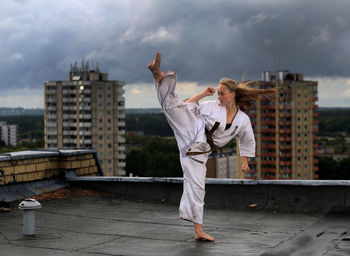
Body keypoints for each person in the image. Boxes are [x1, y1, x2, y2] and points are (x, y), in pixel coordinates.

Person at [147, 52, 275, 241]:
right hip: (192, 130)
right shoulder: (212, 106)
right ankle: (157, 75)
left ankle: (198, 231)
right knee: (174, 107)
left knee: (198, 189)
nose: (219, 96)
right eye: (217, 92)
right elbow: (188, 105)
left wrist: (245, 162)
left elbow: (246, 139)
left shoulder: (243, 120)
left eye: (222, 93)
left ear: (233, 94)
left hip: (199, 153)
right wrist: (203, 94)